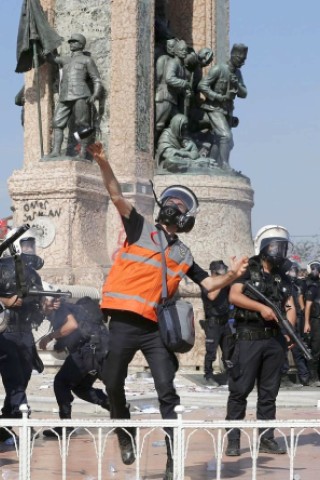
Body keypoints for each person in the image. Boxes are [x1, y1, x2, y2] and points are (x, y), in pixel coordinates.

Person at [87, 141, 248, 480]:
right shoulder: (140, 228)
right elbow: (115, 194)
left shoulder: (185, 254)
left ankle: (173, 459)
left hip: (154, 331)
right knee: (112, 381)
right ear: (163, 207)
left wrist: (232, 275)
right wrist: (102, 161)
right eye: (172, 201)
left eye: (181, 205)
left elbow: (208, 285)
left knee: (167, 391)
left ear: (187, 218)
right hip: (121, 323)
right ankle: (123, 429)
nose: (174, 206)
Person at [225, 225, 296, 457]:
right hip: (249, 339)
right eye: (275, 246)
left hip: (274, 341)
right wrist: (261, 308)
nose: (279, 251)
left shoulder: (282, 275)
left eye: (282, 246)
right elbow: (235, 295)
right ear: (264, 246)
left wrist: (289, 330)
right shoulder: (249, 268)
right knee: (240, 391)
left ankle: (266, 438)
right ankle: (233, 439)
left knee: (269, 393)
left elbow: (289, 304)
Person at [39, 292, 110, 437]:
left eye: (40, 303)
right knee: (80, 387)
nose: (40, 309)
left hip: (87, 351)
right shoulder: (67, 307)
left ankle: (65, 426)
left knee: (61, 382)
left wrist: (49, 337)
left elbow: (71, 326)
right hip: (99, 349)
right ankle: (115, 407)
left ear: (48, 301)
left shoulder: (60, 309)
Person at [0, 230, 45, 445]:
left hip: (25, 332)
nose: (29, 249)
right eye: (25, 245)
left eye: (31, 245)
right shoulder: (1, 268)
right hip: (4, 332)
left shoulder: (33, 274)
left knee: (24, 377)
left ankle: (4, 424)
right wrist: (5, 301)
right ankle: (25, 420)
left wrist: (46, 305)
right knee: (14, 379)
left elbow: (38, 302)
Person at [45, 33, 102, 159]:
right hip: (65, 95)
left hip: (81, 95)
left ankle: (82, 152)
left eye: (74, 42)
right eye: (70, 42)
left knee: (82, 123)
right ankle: (56, 151)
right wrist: (45, 47)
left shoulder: (87, 60)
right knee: (57, 122)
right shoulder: (65, 59)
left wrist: (95, 95)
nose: (71, 43)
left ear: (81, 44)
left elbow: (96, 79)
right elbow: (52, 59)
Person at [197, 43, 248, 169]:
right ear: (234, 56)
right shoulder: (219, 69)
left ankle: (213, 163)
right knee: (226, 136)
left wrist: (237, 85)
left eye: (244, 60)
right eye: (241, 60)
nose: (243, 63)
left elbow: (244, 94)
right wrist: (217, 96)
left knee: (222, 141)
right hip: (214, 109)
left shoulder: (238, 73)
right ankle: (225, 164)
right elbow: (202, 85)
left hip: (227, 111)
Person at [200, 260, 231, 386]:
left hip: (225, 322)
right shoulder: (207, 284)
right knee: (211, 352)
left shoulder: (224, 284)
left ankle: (229, 375)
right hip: (213, 323)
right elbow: (212, 297)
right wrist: (221, 281)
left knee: (229, 351)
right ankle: (208, 375)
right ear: (213, 272)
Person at [155, 39, 192, 143]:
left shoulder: (182, 67)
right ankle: (153, 146)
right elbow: (169, 78)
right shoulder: (173, 63)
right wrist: (184, 83)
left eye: (185, 50)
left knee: (179, 124)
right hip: (165, 96)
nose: (184, 52)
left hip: (173, 99)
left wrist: (185, 91)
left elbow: (179, 86)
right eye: (181, 50)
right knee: (159, 125)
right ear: (175, 51)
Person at [280, 263, 311, 387]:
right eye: (290, 271)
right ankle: (283, 377)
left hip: (296, 321)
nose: (293, 273)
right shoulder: (281, 285)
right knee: (283, 350)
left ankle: (305, 377)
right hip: (284, 321)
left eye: (294, 270)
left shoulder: (297, 285)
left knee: (298, 350)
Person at [303, 260, 320, 387]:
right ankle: (313, 378)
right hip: (316, 321)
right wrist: (307, 323)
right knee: (316, 349)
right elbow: (308, 306)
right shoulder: (313, 287)